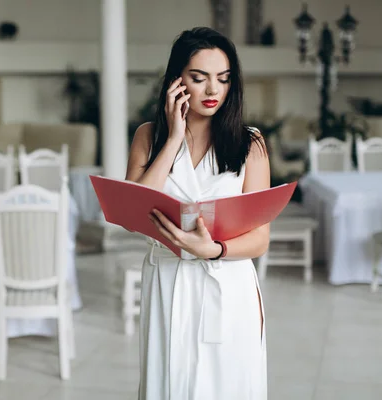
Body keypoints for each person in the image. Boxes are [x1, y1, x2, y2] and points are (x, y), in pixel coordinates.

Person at [125, 27, 270, 399]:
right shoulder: (149, 135)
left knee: (228, 384)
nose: (212, 91)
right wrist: (173, 138)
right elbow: (134, 210)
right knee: (168, 382)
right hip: (167, 278)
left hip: (227, 281)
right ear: (177, 80)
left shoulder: (249, 143)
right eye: (198, 78)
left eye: (223, 79)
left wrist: (214, 250)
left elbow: (260, 238)